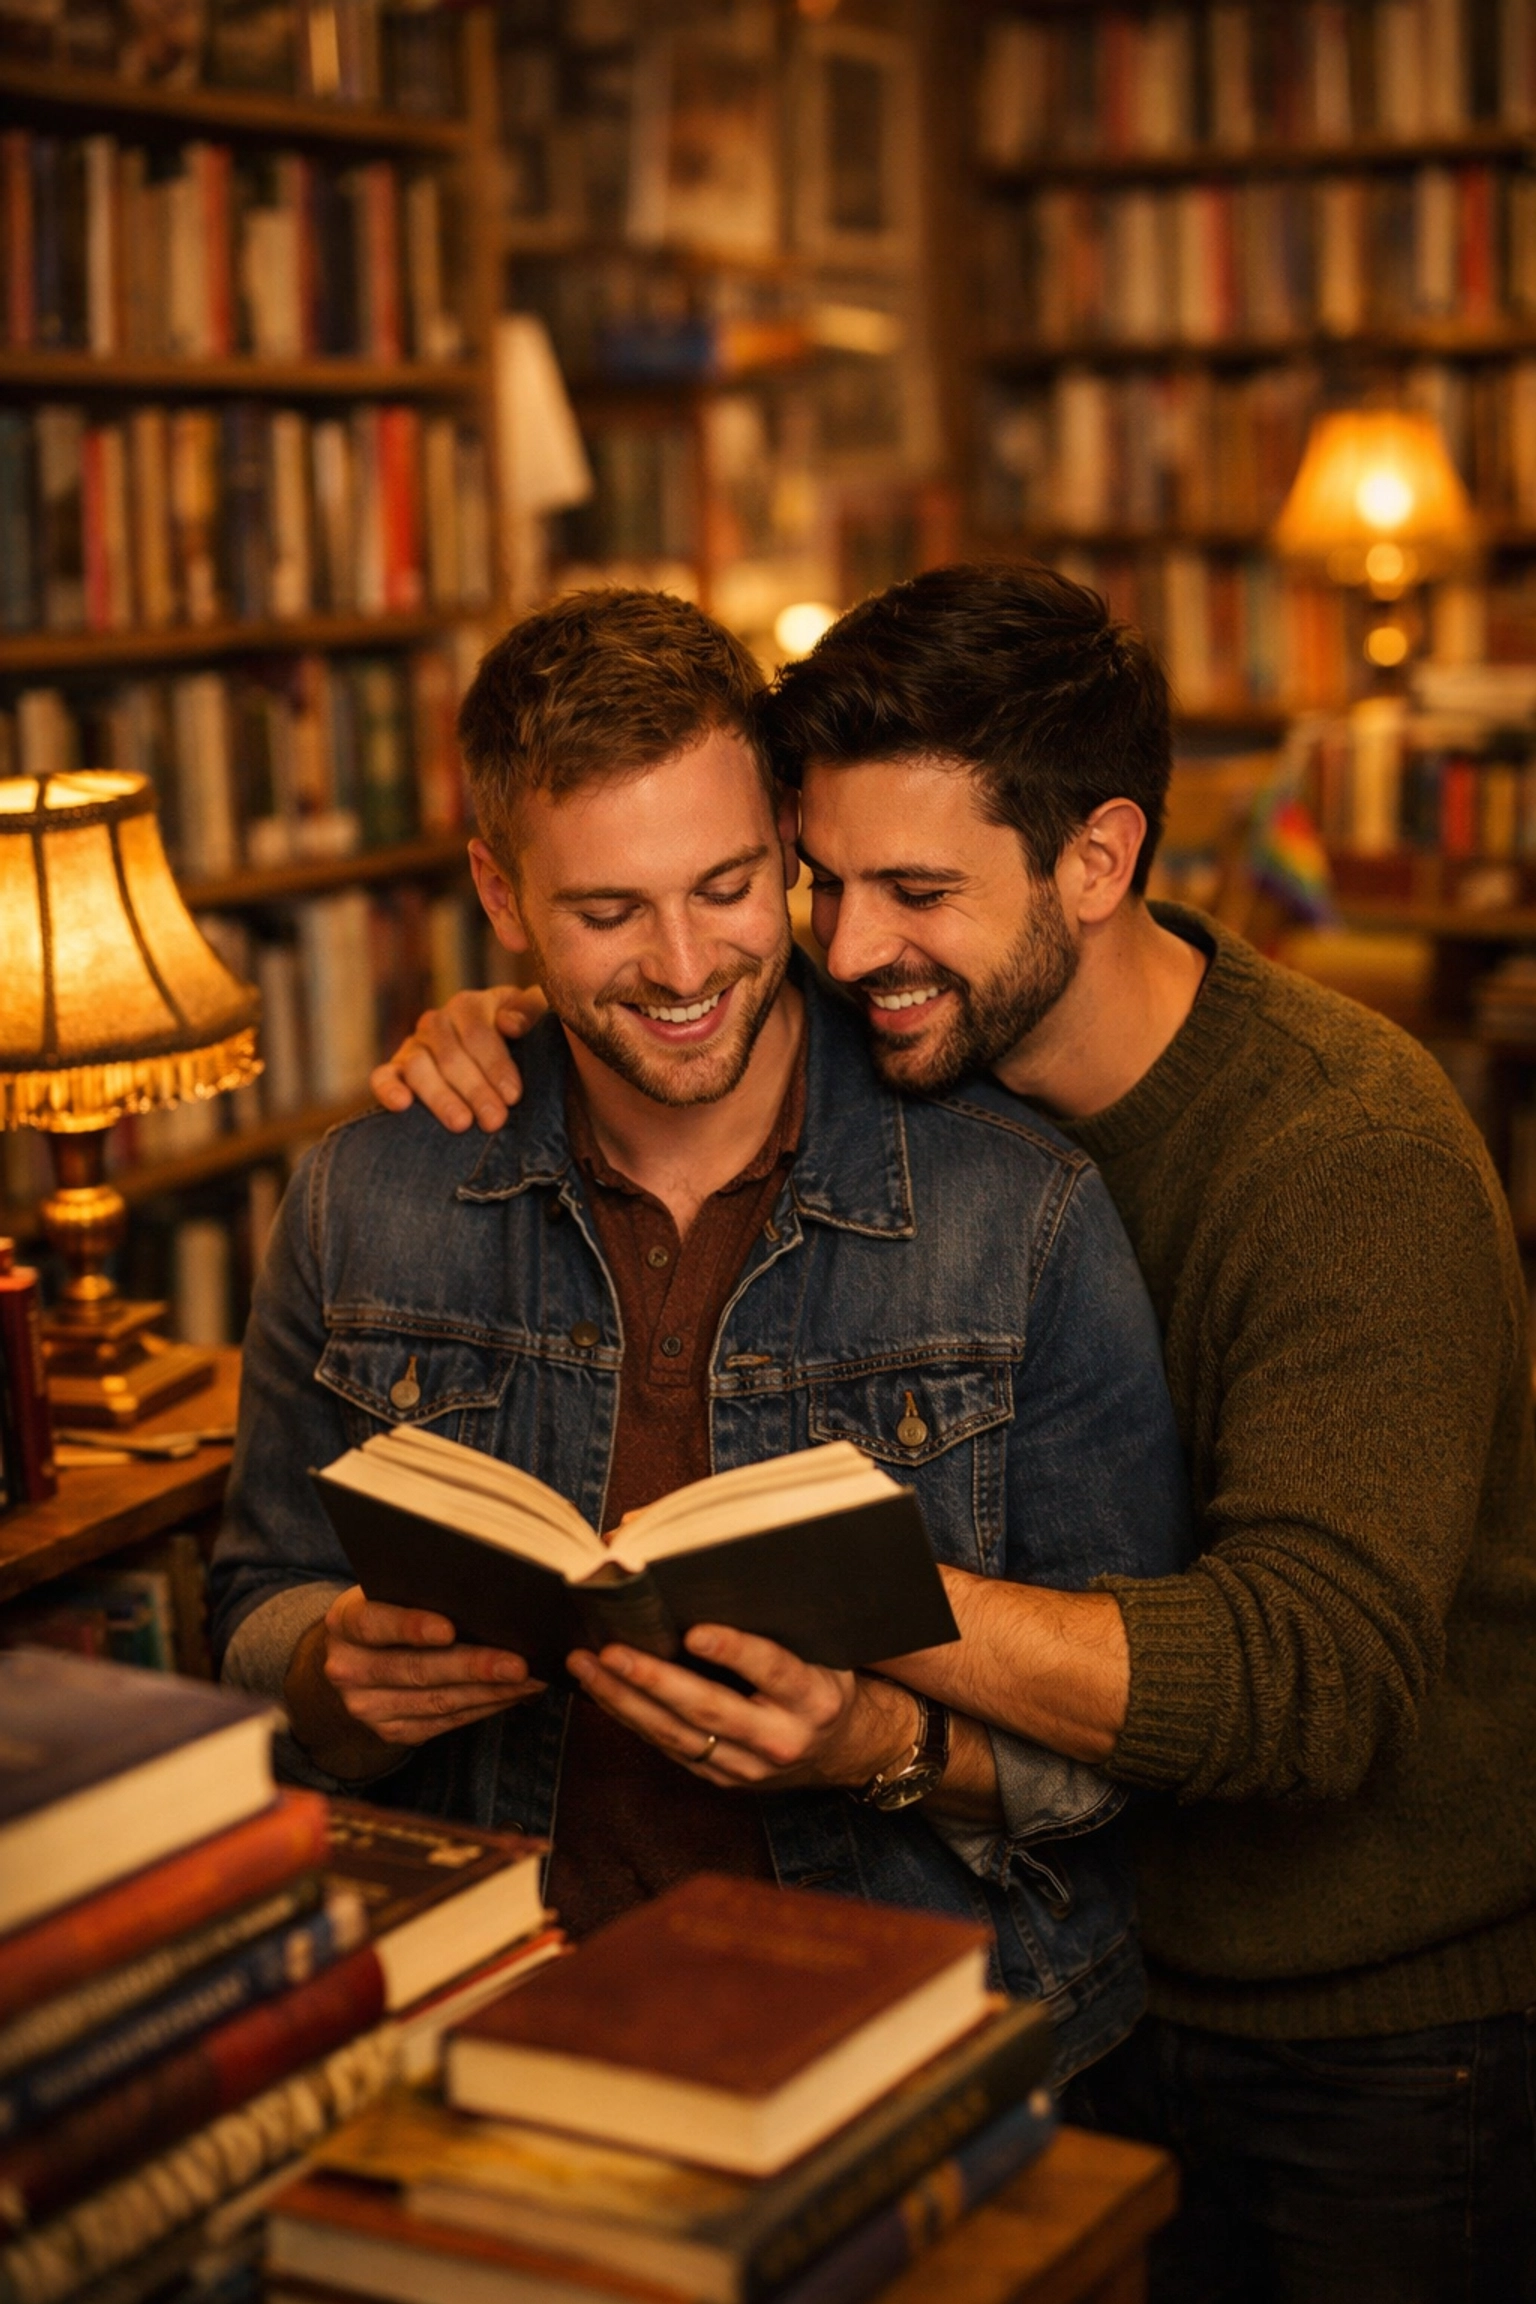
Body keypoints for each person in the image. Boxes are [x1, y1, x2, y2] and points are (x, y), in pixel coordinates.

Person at [382, 565, 1536, 2303]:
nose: (848, 952)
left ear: (1096, 861)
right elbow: (669, 998)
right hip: (1082, 1981)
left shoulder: (1348, 1152)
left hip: (1365, 2037)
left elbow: (1311, 1677)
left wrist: (844, 1590)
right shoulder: (925, 1035)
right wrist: (516, 1023)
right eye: (822, 882)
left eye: (917, 892)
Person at [209, 586, 1191, 2084]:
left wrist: (883, 1745)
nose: (680, 968)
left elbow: (1130, 1753)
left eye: (730, 887)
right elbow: (256, 1606)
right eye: (607, 914)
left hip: (928, 2039)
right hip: (488, 2012)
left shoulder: (1022, 1210)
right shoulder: (367, 1197)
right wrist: (331, 1679)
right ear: (499, 894)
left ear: (791, 843)